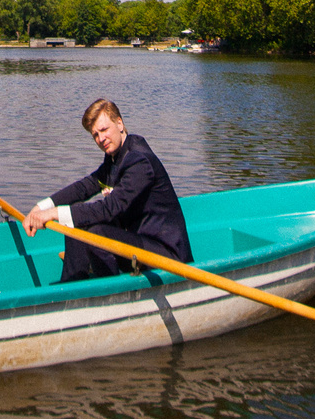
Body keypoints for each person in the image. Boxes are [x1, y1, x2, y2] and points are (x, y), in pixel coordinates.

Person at [24, 97, 191, 282]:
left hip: (166, 254)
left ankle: (110, 293)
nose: (101, 139)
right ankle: (70, 287)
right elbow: (86, 186)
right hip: (137, 241)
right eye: (95, 134)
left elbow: (109, 208)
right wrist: (41, 207)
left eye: (104, 130)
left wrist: (54, 213)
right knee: (76, 225)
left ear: (119, 123)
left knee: (97, 234)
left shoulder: (139, 161)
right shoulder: (116, 156)